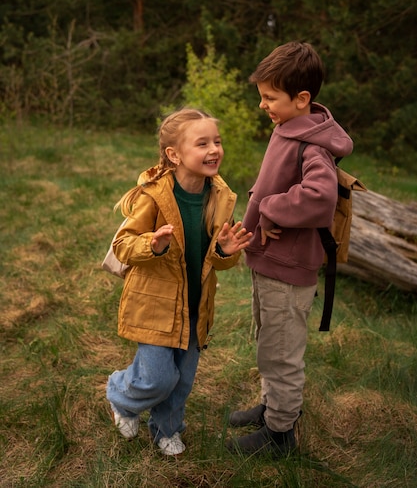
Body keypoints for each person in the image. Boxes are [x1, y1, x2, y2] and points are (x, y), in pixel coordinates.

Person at [226, 41, 353, 458]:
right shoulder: (288, 127)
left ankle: (280, 434)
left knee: (282, 351)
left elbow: (319, 197)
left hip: (288, 266)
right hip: (269, 262)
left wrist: (270, 208)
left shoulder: (313, 144)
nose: (263, 105)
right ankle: (271, 407)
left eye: (269, 98)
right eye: (261, 96)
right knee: (269, 340)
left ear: (302, 99)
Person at [106, 108, 252, 456]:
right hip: (154, 304)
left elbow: (221, 261)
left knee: (182, 381)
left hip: (195, 305)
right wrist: (152, 246)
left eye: (216, 142)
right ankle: (121, 395)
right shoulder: (154, 195)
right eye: (202, 143)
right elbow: (122, 245)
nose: (214, 149)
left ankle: (167, 428)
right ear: (174, 154)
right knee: (159, 378)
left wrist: (223, 250)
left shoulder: (220, 197)